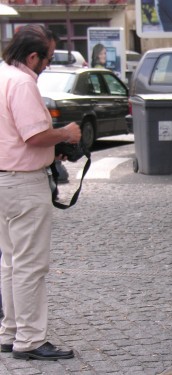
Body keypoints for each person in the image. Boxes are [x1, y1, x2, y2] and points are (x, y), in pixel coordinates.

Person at [0, 24, 81, 360]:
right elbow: (33, 136)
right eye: (46, 58)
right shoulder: (21, 83)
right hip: (22, 182)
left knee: (10, 261)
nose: (47, 64)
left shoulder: (2, 75)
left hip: (4, 179)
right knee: (30, 265)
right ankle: (30, 340)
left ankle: (11, 330)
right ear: (31, 56)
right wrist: (65, 134)